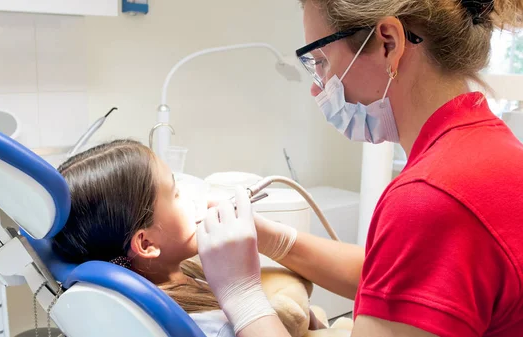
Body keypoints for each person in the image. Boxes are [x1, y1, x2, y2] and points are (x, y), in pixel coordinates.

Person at [196, 0, 523, 336]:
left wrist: (243, 296)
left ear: (388, 43)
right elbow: (398, 278)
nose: (316, 86)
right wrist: (275, 240)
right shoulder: (491, 152)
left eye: (321, 62)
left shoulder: (432, 196)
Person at [51, 139, 237, 337]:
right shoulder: (215, 327)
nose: (191, 198)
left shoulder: (176, 272)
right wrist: (245, 290)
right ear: (146, 244)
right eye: (175, 194)